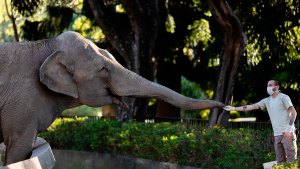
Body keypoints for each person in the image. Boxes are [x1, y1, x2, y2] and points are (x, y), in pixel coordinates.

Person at [224, 80, 297, 164]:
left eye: (270, 85)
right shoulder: (267, 100)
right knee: (280, 163)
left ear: (277, 87)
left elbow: (294, 113)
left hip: (287, 134)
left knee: (291, 162)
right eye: (267, 85)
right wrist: (233, 108)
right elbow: (251, 106)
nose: (268, 87)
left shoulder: (283, 97)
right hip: (277, 134)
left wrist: (289, 129)